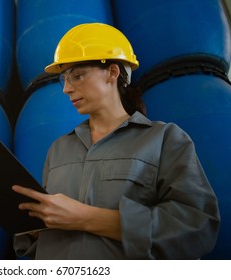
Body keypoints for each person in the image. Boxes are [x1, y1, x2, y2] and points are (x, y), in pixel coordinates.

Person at [12, 22, 220, 259]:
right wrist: (36, 227)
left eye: (77, 76)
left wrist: (86, 218)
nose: (66, 89)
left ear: (113, 72)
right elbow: (33, 242)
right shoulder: (59, 149)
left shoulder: (164, 139)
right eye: (64, 80)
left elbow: (196, 227)